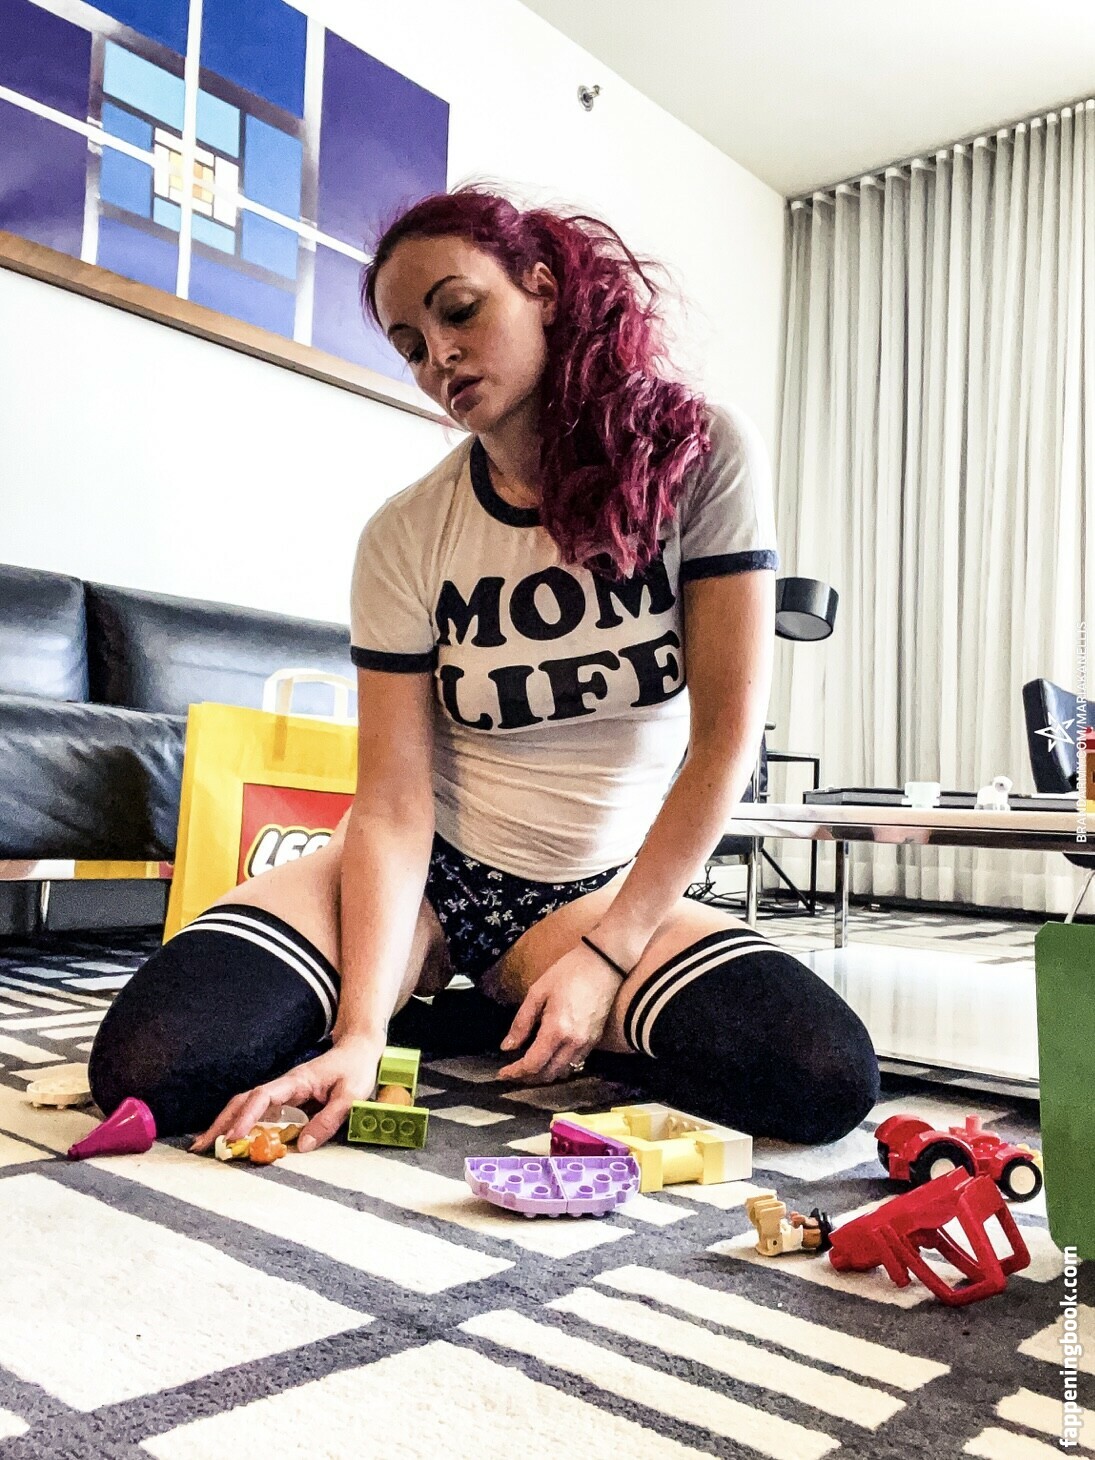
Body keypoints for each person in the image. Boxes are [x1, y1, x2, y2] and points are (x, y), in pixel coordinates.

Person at [88, 185, 879, 1155]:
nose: (439, 358)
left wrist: (606, 955)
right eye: (411, 345)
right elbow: (391, 802)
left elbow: (723, 746)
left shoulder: (701, 453)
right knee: (151, 1064)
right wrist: (361, 1030)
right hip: (422, 876)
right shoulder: (404, 533)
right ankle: (421, 999)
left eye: (459, 311)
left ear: (542, 287)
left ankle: (492, 1002)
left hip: (585, 895)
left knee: (822, 1073)